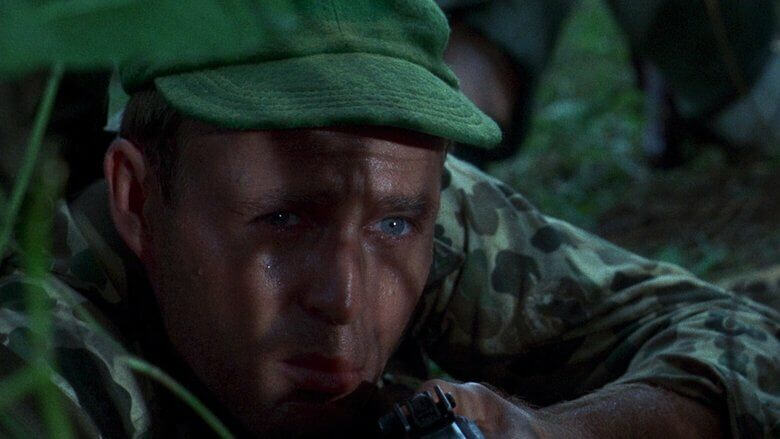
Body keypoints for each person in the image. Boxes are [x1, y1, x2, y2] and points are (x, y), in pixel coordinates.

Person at [0, 1, 777, 437]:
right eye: (281, 220)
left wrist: (554, 432)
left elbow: (743, 336)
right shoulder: (42, 358)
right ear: (137, 200)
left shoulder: (379, 198)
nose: (344, 297)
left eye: (398, 224)